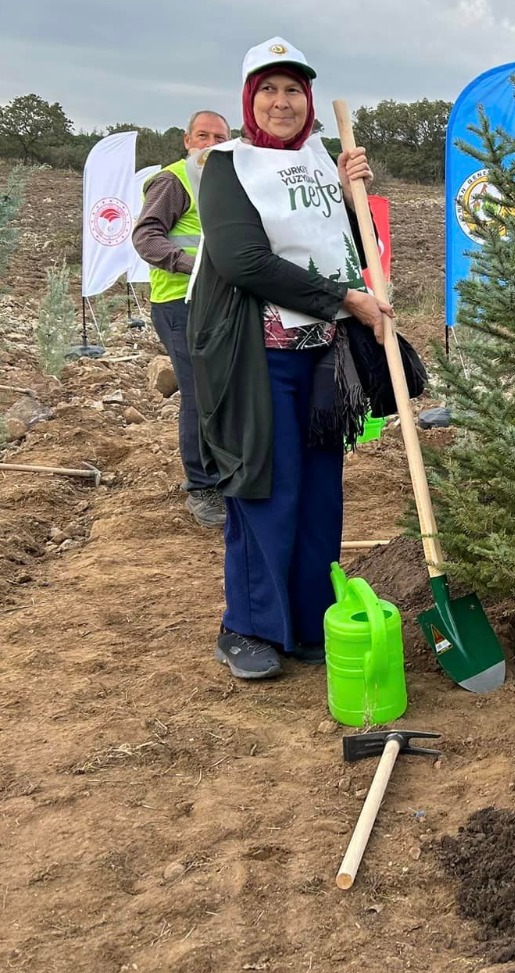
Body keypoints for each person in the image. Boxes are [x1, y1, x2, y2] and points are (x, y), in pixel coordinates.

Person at [188, 38, 396, 680]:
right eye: (269, 89)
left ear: (308, 102)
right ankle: (249, 627)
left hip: (322, 359)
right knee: (265, 489)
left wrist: (350, 192)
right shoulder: (228, 166)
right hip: (258, 359)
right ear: (250, 99)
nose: (283, 102)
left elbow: (348, 244)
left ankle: (308, 623)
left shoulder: (318, 160)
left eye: (294, 90)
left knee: (319, 497)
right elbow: (241, 260)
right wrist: (344, 301)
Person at [133, 110, 232, 527]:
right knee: (197, 394)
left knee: (221, 393)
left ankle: (224, 476)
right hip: (179, 302)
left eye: (220, 138)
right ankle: (201, 487)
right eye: (203, 136)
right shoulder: (175, 180)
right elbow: (145, 236)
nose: (210, 144)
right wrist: (191, 264)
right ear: (187, 139)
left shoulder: (225, 181)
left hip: (216, 302)